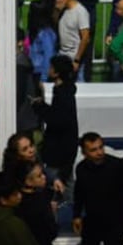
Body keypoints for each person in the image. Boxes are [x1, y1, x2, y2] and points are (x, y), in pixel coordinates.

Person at [32, 55, 78, 195]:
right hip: (64, 151)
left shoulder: (63, 93)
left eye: (51, 67)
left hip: (59, 152)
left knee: (60, 190)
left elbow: (57, 120)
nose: (48, 69)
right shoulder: (64, 91)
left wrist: (40, 107)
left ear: (57, 72)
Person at [53, 0, 92, 80]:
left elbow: (85, 37)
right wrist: (57, 10)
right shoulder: (63, 10)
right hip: (63, 54)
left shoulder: (80, 12)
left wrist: (77, 59)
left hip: (74, 56)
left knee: (78, 84)